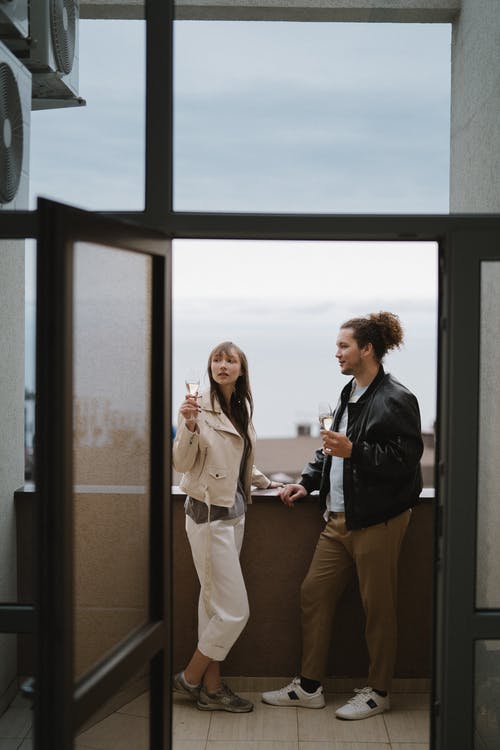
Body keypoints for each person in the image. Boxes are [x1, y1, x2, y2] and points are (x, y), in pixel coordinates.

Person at [262, 312, 423, 720]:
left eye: (343, 346)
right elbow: (331, 449)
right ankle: (311, 686)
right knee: (313, 594)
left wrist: (355, 452)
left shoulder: (397, 398)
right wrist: (307, 481)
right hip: (337, 521)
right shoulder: (349, 391)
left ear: (366, 349)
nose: (337, 353)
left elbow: (406, 461)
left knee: (378, 609)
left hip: (378, 521)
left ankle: (379, 691)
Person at [173, 341, 281, 713]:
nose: (222, 364)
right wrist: (187, 426)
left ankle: (212, 690)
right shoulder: (197, 407)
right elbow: (181, 463)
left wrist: (268, 483)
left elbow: (239, 461)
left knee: (213, 605)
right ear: (211, 367)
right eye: (216, 359)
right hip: (207, 516)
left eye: (229, 360)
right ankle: (190, 677)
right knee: (235, 611)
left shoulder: (239, 407)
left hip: (233, 515)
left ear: (240, 370)